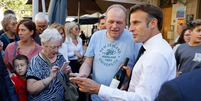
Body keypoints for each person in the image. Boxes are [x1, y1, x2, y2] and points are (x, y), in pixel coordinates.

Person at [70, 3, 176, 101]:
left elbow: (143, 98)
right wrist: (132, 75)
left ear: (153, 23)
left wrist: (98, 89)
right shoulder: (153, 48)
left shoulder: (155, 54)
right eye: (131, 24)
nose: (130, 29)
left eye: (136, 23)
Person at [70, 4, 142, 101]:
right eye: (111, 22)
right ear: (105, 20)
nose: (114, 26)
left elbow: (141, 72)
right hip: (96, 96)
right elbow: (88, 62)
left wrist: (126, 85)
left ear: (126, 23)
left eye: (119, 22)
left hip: (121, 97)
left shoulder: (135, 40)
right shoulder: (96, 36)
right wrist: (83, 74)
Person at [26, 28, 71, 101]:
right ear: (43, 44)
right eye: (53, 48)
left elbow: (68, 79)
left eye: (58, 47)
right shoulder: (36, 62)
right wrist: (49, 78)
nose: (56, 50)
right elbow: (31, 89)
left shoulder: (60, 57)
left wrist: (68, 73)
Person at [65, 21, 86, 101]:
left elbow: (81, 51)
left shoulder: (80, 39)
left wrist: (82, 55)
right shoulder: (66, 40)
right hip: (71, 64)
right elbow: (65, 54)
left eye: (78, 29)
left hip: (79, 63)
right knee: (73, 84)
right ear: (70, 30)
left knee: (81, 83)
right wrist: (74, 53)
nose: (78, 30)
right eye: (76, 29)